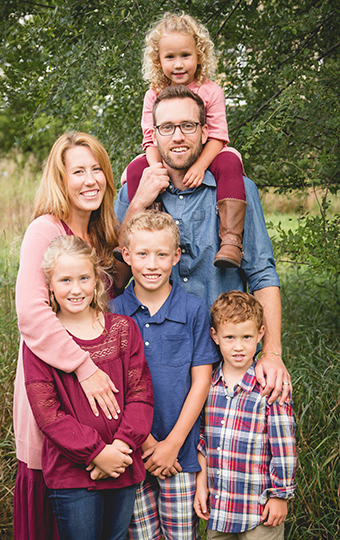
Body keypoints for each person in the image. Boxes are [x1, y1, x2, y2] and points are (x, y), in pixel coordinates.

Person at [115, 84, 291, 405]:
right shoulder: (133, 193)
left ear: (204, 131)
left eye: (188, 126)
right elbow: (112, 276)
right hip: (150, 365)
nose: (178, 136)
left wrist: (273, 354)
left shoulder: (238, 191)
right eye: (167, 127)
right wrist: (138, 202)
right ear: (153, 135)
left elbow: (263, 275)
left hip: (224, 361)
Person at [13, 132, 130, 540]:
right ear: (60, 180)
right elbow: (31, 313)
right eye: (77, 170)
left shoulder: (100, 237)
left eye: (97, 168)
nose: (90, 179)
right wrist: (84, 367)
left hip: (99, 414)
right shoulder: (44, 231)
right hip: (58, 392)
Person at [22, 235, 154, 540]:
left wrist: (121, 447)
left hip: (122, 464)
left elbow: (141, 394)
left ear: (97, 280)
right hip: (73, 475)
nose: (76, 288)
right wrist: (96, 453)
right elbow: (48, 414)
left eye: (84, 278)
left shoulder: (123, 329)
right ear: (50, 286)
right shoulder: (43, 343)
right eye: (65, 280)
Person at [112, 211, 219, 539]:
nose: (152, 264)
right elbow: (111, 389)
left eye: (161, 255)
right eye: (142, 254)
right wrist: (146, 444)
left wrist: (171, 445)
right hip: (131, 453)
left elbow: (201, 381)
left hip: (180, 454)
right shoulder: (113, 313)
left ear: (176, 256)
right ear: (127, 256)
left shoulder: (193, 310)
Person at [119, 12, 246, 268]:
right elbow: (150, 138)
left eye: (185, 56)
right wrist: (156, 169)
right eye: (170, 57)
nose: (178, 64)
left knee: (231, 161)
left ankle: (231, 240)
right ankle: (144, 229)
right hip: (167, 156)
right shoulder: (153, 94)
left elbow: (218, 135)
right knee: (135, 169)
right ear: (158, 60)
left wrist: (200, 166)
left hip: (206, 152)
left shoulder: (211, 90)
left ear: (199, 56)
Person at [194, 291, 296, 539]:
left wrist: (280, 496)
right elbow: (203, 440)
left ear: (260, 334)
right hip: (220, 509)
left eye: (247, 337)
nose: (238, 347)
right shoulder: (207, 385)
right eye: (230, 337)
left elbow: (284, 447)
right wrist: (201, 486)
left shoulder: (270, 386)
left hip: (259, 510)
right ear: (215, 336)